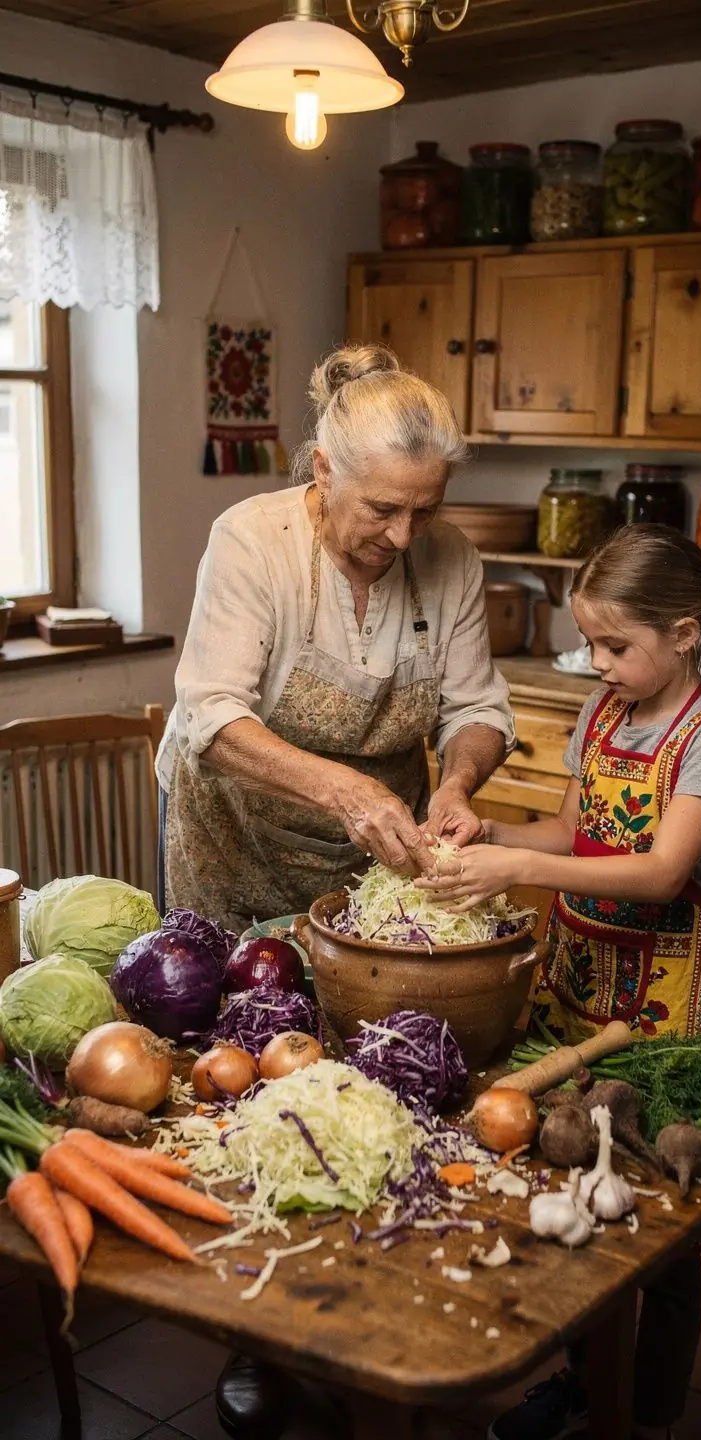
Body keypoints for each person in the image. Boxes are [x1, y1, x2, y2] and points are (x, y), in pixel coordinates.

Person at [155, 342, 515, 1438]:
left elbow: (478, 708)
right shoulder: (252, 541)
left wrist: (454, 781)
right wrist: (346, 787)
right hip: (237, 842)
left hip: (372, 859)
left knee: (360, 1077)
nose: (404, 537)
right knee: (240, 1079)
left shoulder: (449, 560)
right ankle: (253, 1331)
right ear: (322, 471)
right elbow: (211, 713)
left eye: (424, 510)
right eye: (382, 510)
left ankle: (362, 1299)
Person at [419, 524, 701, 1440]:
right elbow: (574, 834)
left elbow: (661, 873)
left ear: (684, 634)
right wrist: (490, 833)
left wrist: (518, 873)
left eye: (614, 645)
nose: (596, 663)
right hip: (576, 984)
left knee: (658, 1212)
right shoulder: (606, 713)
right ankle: (583, 1379)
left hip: (660, 1001)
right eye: (589, 643)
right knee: (569, 1175)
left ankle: (648, 1412)